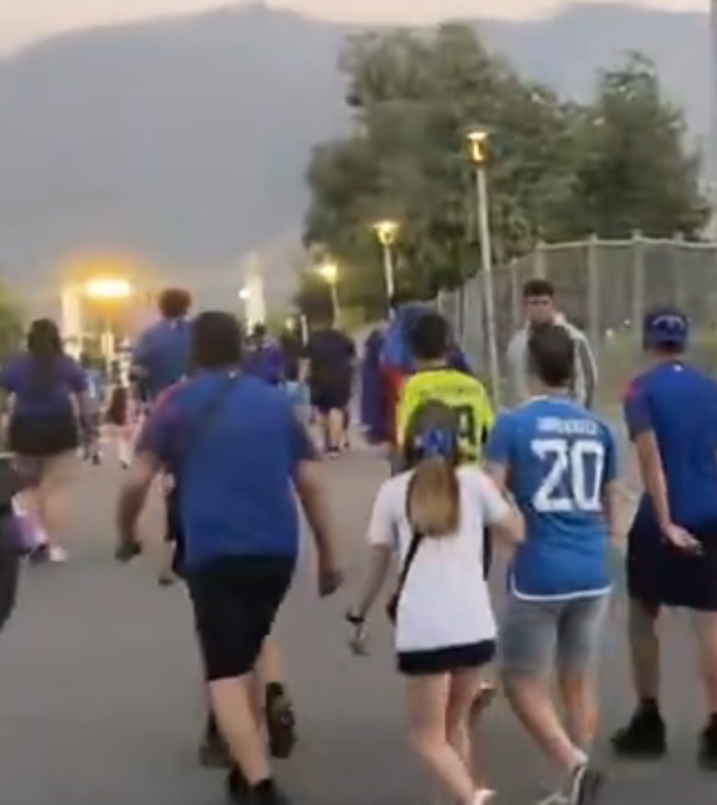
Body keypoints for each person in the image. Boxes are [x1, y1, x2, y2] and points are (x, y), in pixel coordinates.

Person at [117, 311, 343, 805]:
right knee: (250, 645)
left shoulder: (175, 403)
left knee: (224, 668)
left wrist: (126, 531)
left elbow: (136, 480)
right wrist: (329, 554)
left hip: (213, 550)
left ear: (194, 350)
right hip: (277, 549)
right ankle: (246, 764)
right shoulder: (275, 402)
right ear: (241, 347)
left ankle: (261, 783)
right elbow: (311, 483)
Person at [348, 401, 523, 805]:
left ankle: (471, 798)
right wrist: (507, 496)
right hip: (475, 627)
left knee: (426, 738)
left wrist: (358, 613)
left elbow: (377, 562)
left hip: (424, 631)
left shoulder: (393, 492)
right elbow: (516, 534)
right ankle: (460, 797)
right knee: (453, 725)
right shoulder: (475, 484)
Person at [485, 325, 618, 805]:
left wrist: (508, 536)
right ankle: (573, 785)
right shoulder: (599, 427)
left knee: (520, 679)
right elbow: (610, 503)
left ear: (529, 367)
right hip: (592, 567)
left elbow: (491, 495)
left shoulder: (513, 425)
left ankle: (572, 765)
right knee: (578, 680)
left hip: (541, 568)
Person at [609, 308, 717, 768]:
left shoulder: (641, 389)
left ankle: (649, 717)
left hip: (662, 516)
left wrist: (669, 521)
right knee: (709, 618)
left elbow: (651, 459)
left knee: (642, 612)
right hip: (710, 508)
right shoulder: (710, 387)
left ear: (648, 342)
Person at [0, 320, 92, 563]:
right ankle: (52, 545)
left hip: (24, 428)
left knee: (28, 488)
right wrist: (89, 429)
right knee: (53, 490)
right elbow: (84, 400)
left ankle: (35, 538)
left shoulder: (16, 365)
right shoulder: (68, 365)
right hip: (60, 428)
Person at [395, 312, 496, 468]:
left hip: (431, 474)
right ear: (448, 348)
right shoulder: (473, 386)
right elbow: (491, 436)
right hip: (469, 472)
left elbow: (404, 440)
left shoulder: (413, 387)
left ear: (412, 350)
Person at [505, 279, 598, 409]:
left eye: (545, 303)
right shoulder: (517, 344)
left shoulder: (574, 338)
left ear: (553, 305)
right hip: (531, 413)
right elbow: (516, 383)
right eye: (534, 303)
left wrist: (579, 411)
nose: (540, 308)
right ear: (525, 306)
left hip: (569, 411)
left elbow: (587, 380)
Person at [130, 288, 195, 412]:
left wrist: (140, 401)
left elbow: (137, 374)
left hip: (160, 404)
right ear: (186, 307)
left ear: (161, 308)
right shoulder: (197, 333)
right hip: (194, 404)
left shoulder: (149, 335)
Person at [304, 315, 357, 456]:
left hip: (319, 377)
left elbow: (307, 360)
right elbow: (352, 357)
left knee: (323, 411)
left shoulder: (313, 339)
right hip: (340, 376)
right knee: (337, 410)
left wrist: (306, 376)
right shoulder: (342, 337)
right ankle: (334, 446)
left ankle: (326, 443)